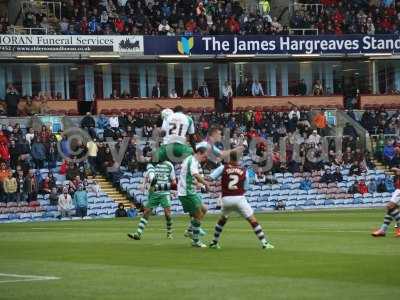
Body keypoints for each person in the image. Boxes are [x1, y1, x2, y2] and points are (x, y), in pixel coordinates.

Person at [207, 151, 274, 250]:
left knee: (222, 219)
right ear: (239, 159)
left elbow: (211, 177)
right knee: (252, 220)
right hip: (239, 198)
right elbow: (246, 186)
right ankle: (264, 243)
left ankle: (214, 242)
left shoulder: (223, 168)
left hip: (225, 199)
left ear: (229, 158)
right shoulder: (244, 170)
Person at [128, 160, 176, 240]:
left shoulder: (169, 165)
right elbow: (147, 176)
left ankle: (169, 232)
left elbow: (173, 180)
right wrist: (143, 185)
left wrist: (174, 190)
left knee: (167, 214)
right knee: (146, 212)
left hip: (164, 193)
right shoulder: (153, 165)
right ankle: (138, 233)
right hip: (154, 193)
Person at [178, 142, 210, 248]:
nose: (204, 159)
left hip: (189, 191)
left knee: (204, 209)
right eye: (204, 156)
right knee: (199, 214)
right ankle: (195, 240)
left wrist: (199, 184)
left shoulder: (191, 160)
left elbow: (188, 177)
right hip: (186, 192)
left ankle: (189, 230)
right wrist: (205, 183)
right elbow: (195, 174)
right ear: (199, 153)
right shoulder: (192, 160)